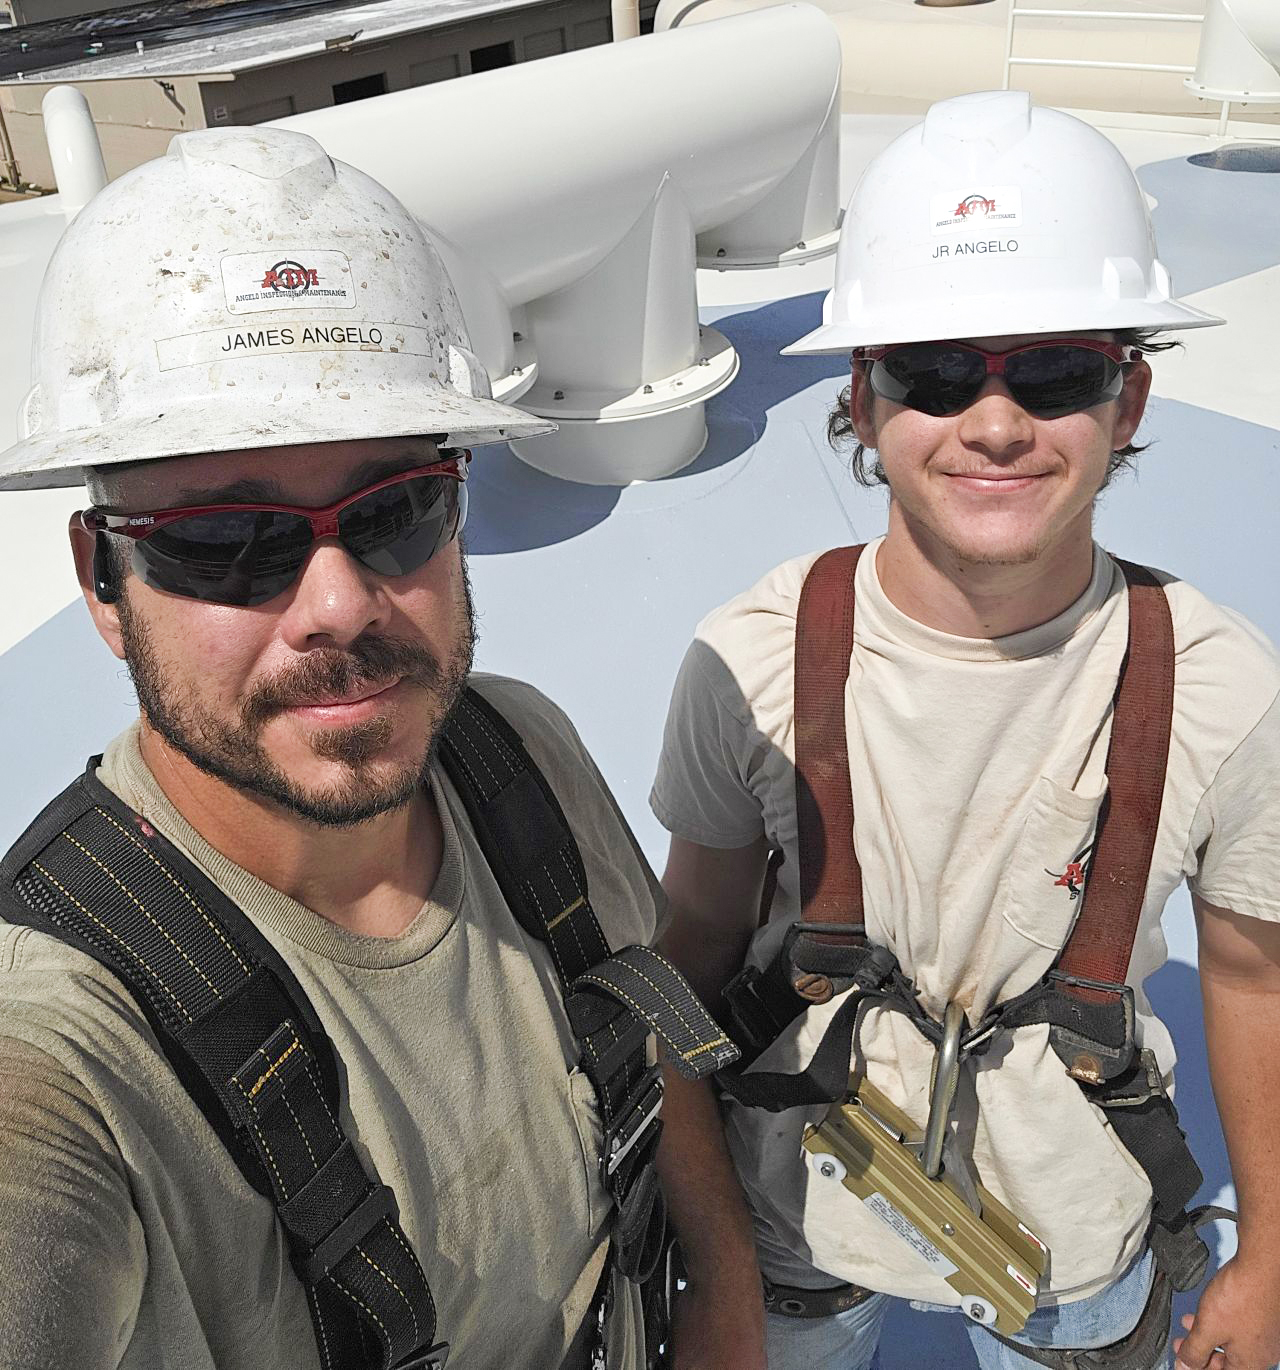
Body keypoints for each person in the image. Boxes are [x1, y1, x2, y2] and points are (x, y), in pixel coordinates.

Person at [0, 126, 731, 1370]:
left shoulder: (515, 749)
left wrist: (721, 1293)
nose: (339, 602)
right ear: (104, 581)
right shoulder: (68, 1043)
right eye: (225, 539)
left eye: (394, 509)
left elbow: (649, 1042)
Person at [649, 90, 1280, 1370]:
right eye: (935, 371)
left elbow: (1252, 978)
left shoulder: (1221, 686)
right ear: (864, 398)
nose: (993, 423)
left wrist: (1267, 1254)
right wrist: (700, 1242)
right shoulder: (749, 658)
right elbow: (694, 948)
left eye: (1054, 371)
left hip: (1073, 1229)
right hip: (794, 1203)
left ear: (1128, 397)